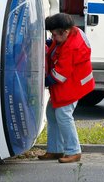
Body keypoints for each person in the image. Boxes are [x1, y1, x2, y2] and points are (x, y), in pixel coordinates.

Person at [39, 13, 94, 163]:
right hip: (70, 84)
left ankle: (74, 151)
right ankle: (55, 149)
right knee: (51, 113)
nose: (53, 37)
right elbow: (56, 46)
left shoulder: (72, 47)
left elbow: (59, 75)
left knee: (63, 115)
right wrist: (50, 42)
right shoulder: (72, 33)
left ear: (65, 31)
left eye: (55, 34)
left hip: (71, 86)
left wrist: (39, 83)